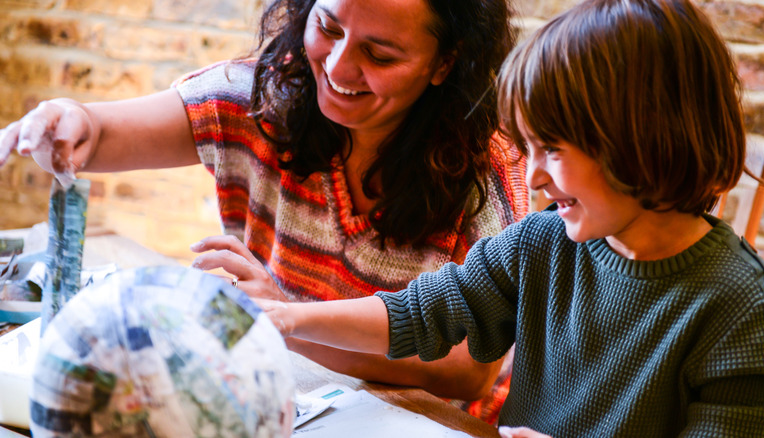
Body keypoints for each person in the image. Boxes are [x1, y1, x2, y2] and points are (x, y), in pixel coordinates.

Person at [254, 0, 764, 436]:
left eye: (551, 148)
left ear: (643, 140)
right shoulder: (542, 242)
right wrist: (289, 319)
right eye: (527, 147)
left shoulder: (744, 310)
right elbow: (420, 313)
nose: (532, 178)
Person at [0, 0, 527, 421]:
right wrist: (70, 121)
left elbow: (467, 373)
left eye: (381, 55)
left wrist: (288, 320)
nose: (340, 66)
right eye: (328, 26)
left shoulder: (488, 168)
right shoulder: (261, 95)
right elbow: (103, 131)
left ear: (445, 63)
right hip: (281, 389)